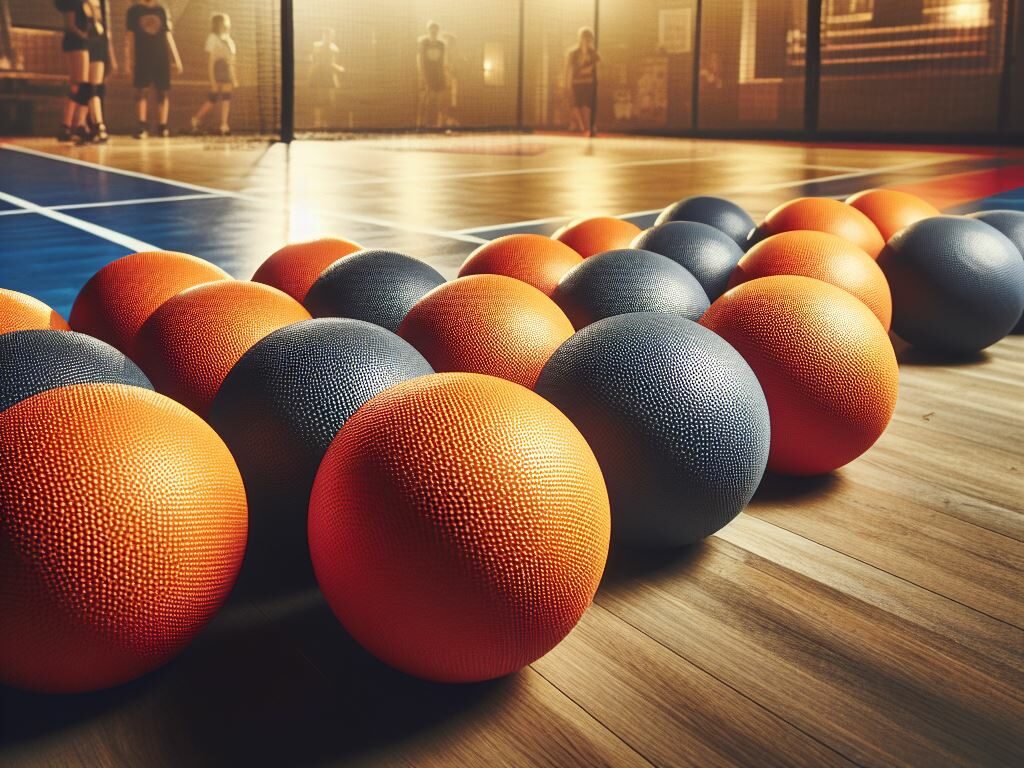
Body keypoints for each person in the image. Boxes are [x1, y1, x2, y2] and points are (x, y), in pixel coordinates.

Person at [56, 0, 114, 144]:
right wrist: (86, 38)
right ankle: (68, 125)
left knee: (93, 87)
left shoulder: (101, 3)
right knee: (81, 84)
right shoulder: (75, 3)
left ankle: (81, 125)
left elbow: (104, 27)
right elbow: (71, 26)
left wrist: (110, 54)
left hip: (97, 44)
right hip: (80, 42)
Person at [125, 0, 182, 138]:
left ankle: (162, 127)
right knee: (141, 90)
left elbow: (167, 35)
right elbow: (130, 36)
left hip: (161, 57)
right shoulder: (134, 11)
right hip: (142, 56)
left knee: (162, 91)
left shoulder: (161, 10)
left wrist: (177, 58)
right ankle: (142, 126)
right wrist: (128, 60)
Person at [190, 13, 236, 135]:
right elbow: (211, 61)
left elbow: (232, 61)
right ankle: (196, 119)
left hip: (227, 70)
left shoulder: (228, 40)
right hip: (218, 69)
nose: (227, 24)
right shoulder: (212, 38)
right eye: (225, 21)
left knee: (226, 98)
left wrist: (234, 77)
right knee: (213, 99)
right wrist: (212, 80)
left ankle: (224, 125)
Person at [565, 26, 600, 137]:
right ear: (580, 38)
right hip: (576, 82)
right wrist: (568, 82)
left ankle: (589, 126)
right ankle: (582, 126)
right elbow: (569, 68)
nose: (586, 41)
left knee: (587, 105)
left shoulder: (594, 53)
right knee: (576, 105)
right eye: (584, 38)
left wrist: (596, 78)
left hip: (589, 82)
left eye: (588, 39)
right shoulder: (573, 53)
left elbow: (598, 67)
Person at [308, 28, 343, 130]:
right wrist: (338, 68)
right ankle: (318, 123)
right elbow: (320, 61)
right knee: (319, 99)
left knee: (330, 100)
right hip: (319, 76)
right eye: (327, 35)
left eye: (331, 35)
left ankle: (327, 123)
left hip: (329, 76)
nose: (329, 37)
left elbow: (332, 62)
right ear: (323, 35)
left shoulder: (335, 48)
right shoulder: (317, 46)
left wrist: (337, 68)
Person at [416, 20, 447, 130]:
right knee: (426, 99)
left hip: (439, 75)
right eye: (431, 29)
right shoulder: (423, 43)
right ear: (428, 30)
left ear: (437, 31)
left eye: (435, 29)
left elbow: (442, 61)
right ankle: (421, 123)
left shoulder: (441, 45)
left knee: (441, 100)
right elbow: (422, 60)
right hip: (427, 75)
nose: (433, 31)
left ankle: (441, 124)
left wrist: (443, 75)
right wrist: (424, 76)